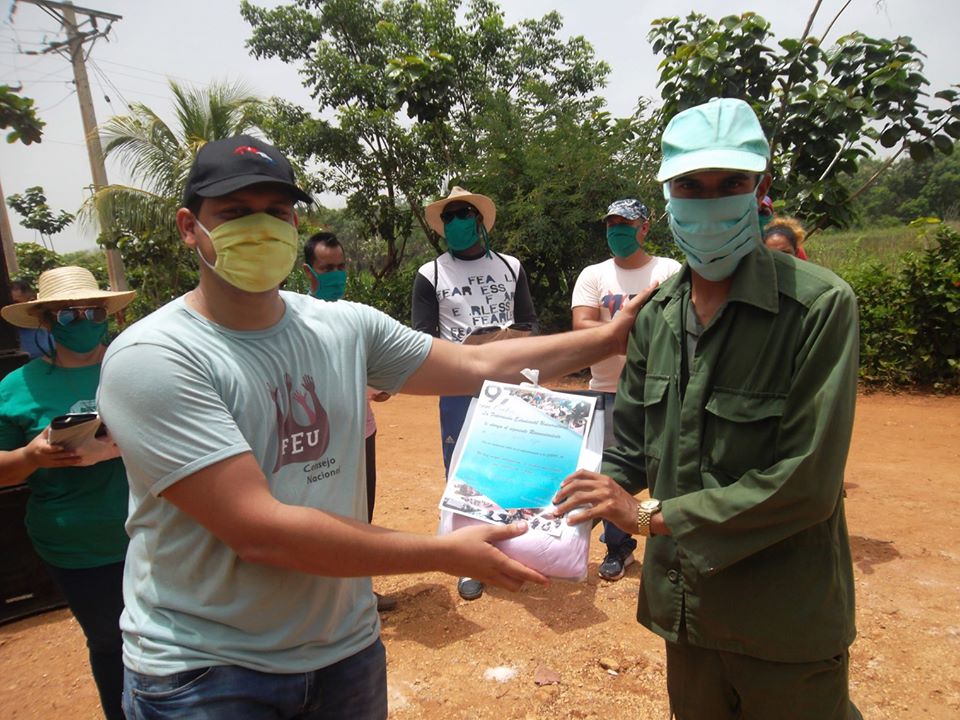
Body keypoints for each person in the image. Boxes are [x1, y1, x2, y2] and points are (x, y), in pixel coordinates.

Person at [96, 135, 652, 720]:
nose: (259, 228)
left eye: (276, 212)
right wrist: (441, 553)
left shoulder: (345, 328)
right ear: (190, 227)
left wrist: (607, 338)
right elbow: (260, 531)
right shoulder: (156, 357)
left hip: (346, 648)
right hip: (209, 671)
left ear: (294, 224)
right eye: (235, 213)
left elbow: (478, 364)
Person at [554, 98, 861, 719]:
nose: (710, 200)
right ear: (668, 195)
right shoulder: (657, 314)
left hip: (784, 618)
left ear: (760, 189)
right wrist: (545, 507)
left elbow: (806, 483)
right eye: (692, 185)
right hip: (687, 610)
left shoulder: (818, 307)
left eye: (731, 184)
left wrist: (646, 516)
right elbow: (628, 448)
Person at [0, 266, 135, 720]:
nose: (82, 321)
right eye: (66, 314)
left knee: (184, 636)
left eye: (92, 311)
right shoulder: (16, 388)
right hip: (80, 547)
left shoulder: (138, 365)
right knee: (111, 643)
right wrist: (31, 456)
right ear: (45, 321)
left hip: (159, 532)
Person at [411, 185, 539, 601]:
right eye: (448, 217)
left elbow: (528, 321)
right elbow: (422, 337)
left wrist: (509, 343)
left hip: (510, 383)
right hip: (458, 386)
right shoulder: (431, 274)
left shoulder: (511, 267)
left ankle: (513, 548)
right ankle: (468, 561)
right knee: (463, 470)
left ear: (480, 221)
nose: (455, 222)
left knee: (512, 466)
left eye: (463, 214)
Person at [571, 198, 680, 581]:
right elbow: (581, 325)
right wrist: (639, 334)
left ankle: (674, 545)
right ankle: (618, 548)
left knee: (668, 470)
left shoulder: (668, 270)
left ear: (644, 227)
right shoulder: (594, 274)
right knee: (610, 474)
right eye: (611, 224)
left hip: (661, 392)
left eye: (625, 223)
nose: (616, 230)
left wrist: (613, 333)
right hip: (605, 390)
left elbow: (677, 326)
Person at [303, 230, 396, 612]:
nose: (337, 275)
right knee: (323, 517)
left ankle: (359, 592)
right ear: (308, 272)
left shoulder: (356, 319)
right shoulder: (294, 321)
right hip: (321, 441)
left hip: (362, 432)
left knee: (361, 512)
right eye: (328, 268)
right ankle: (319, 599)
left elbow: (369, 371)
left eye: (341, 267)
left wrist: (377, 388)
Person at [8, 278, 55, 359]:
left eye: (15, 302)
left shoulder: (49, 324)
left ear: (31, 301)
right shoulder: (6, 332)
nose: (10, 307)